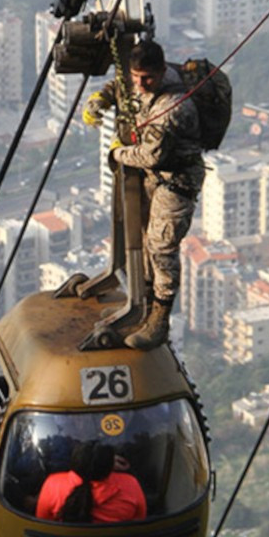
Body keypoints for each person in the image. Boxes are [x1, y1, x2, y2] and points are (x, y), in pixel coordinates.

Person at [82, 39, 204, 350]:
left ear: (162, 72)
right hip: (154, 179)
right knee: (142, 241)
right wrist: (102, 98)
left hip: (176, 183)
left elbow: (151, 156)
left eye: (147, 78)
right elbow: (123, 86)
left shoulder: (174, 108)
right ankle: (143, 308)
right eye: (136, 77)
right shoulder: (145, 82)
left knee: (161, 248)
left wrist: (117, 154)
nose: (140, 84)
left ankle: (159, 321)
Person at [36, 442, 147, 524]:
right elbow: (140, 521)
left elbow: (42, 523)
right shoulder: (130, 484)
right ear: (110, 468)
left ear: (75, 463)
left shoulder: (53, 484)